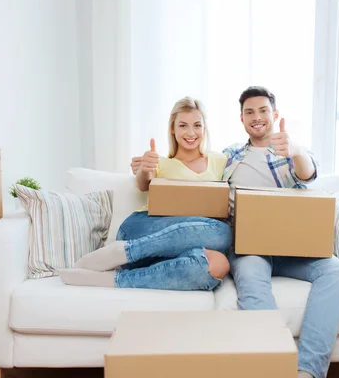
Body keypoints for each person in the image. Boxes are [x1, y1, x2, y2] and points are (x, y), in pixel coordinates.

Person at [131, 86, 339, 378]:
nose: (256, 117)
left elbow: (308, 172)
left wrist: (296, 151)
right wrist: (145, 169)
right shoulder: (229, 156)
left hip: (293, 246)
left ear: (274, 115)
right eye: (250, 112)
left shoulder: (291, 151)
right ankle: (276, 366)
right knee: (250, 278)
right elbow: (192, 177)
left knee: (338, 272)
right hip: (249, 246)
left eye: (263, 111)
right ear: (242, 118)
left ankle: (307, 371)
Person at [59, 96, 232, 291]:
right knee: (222, 233)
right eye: (183, 125)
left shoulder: (219, 160)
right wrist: (144, 168)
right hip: (142, 229)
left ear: (204, 129)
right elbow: (144, 183)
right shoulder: (159, 162)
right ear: (173, 129)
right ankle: (124, 251)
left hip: (177, 248)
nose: (191, 132)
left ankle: (114, 280)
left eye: (197, 125)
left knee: (218, 264)